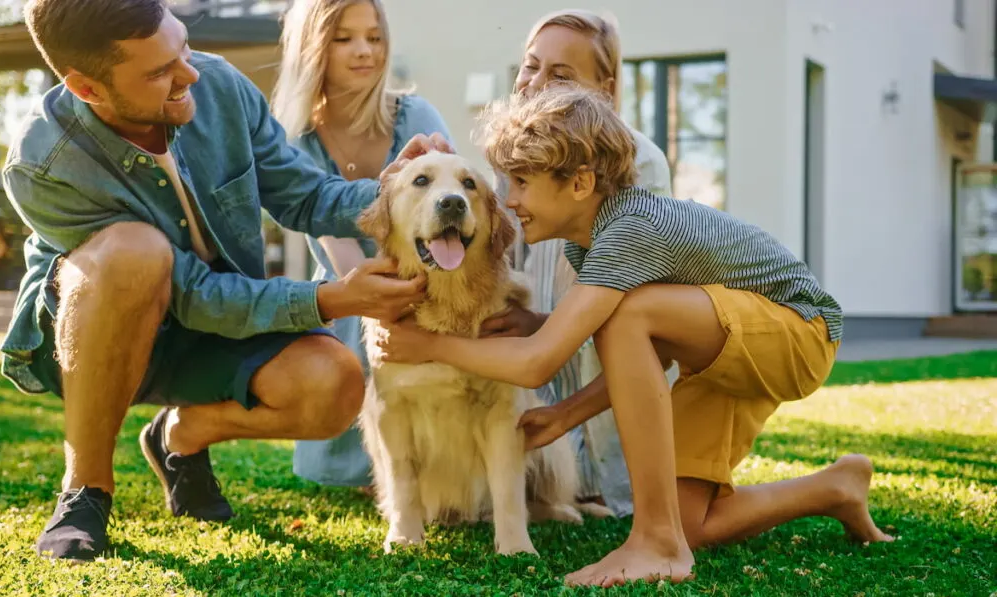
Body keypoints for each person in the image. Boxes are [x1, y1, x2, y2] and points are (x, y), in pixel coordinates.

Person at [376, 85, 893, 587]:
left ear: (579, 184)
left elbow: (539, 363)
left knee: (629, 315)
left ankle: (654, 542)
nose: (509, 202)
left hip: (800, 330)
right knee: (694, 524)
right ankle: (835, 487)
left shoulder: (628, 231)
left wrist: (428, 346)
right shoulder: (591, 245)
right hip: (724, 358)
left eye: (522, 184)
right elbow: (645, 353)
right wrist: (564, 411)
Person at [1, 0, 450, 563]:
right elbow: (187, 292)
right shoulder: (45, 163)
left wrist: (396, 189)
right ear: (87, 88)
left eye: (182, 48)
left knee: (334, 384)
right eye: (159, 71)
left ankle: (179, 436)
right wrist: (330, 299)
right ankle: (85, 492)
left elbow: (304, 194)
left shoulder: (216, 84)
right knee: (133, 254)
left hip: (215, 328)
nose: (190, 74)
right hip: (95, 336)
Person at [481, 8, 672, 516]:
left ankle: (595, 482)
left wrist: (545, 336)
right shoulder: (511, 159)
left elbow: (633, 326)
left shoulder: (638, 165)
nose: (536, 85)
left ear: (605, 91)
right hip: (542, 386)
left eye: (561, 76)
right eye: (530, 66)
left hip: (601, 394)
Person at [270, 0, 453, 492]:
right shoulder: (295, 140)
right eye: (344, 38)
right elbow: (342, 256)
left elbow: (446, 218)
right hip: (347, 289)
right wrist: (380, 300)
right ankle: (365, 460)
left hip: (429, 278)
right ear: (314, 47)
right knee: (355, 307)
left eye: (374, 37)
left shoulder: (415, 115)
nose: (364, 51)